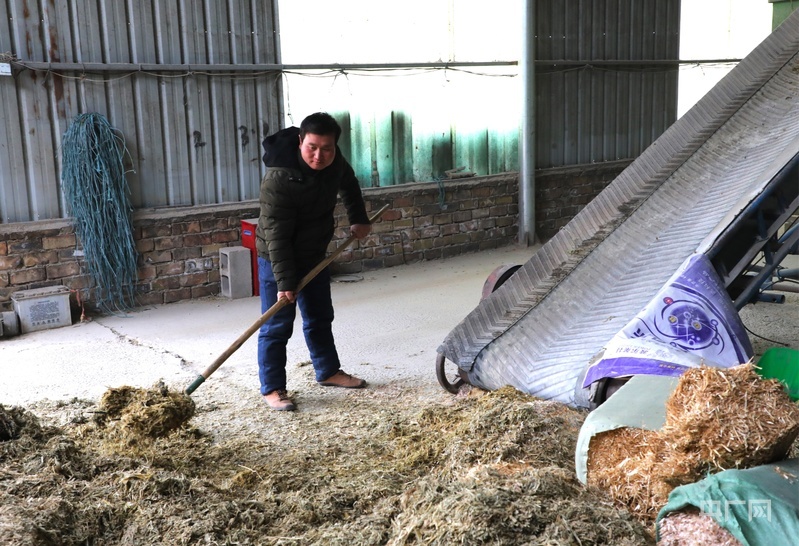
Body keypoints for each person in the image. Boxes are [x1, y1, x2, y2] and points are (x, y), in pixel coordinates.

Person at [255, 112, 371, 411]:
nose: (319, 156)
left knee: (320, 317)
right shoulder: (279, 177)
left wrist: (359, 219)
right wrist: (285, 283)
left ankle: (328, 371)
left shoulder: (334, 162)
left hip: (314, 254)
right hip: (277, 256)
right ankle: (272, 388)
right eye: (312, 147)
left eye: (327, 148)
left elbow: (349, 183)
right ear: (300, 142)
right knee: (277, 324)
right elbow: (275, 235)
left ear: (335, 146)